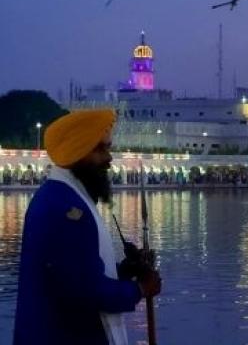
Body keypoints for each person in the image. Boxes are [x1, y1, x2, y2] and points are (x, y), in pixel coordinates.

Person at [14, 109, 162, 345]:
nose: (109, 158)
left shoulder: (59, 196)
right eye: (100, 149)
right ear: (78, 153)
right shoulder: (67, 209)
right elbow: (89, 292)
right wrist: (141, 289)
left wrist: (124, 271)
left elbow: (74, 274)